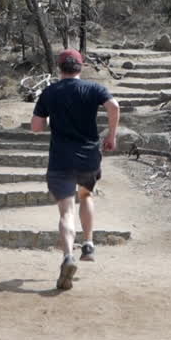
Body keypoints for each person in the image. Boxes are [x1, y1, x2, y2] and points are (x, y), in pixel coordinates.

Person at [31, 48, 120, 291]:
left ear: (59, 68)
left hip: (61, 158)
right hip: (88, 156)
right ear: (80, 67)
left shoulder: (49, 92)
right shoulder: (94, 89)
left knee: (66, 211)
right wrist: (111, 135)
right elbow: (113, 106)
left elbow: (36, 127)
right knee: (86, 195)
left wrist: (49, 119)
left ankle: (68, 256)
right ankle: (89, 244)